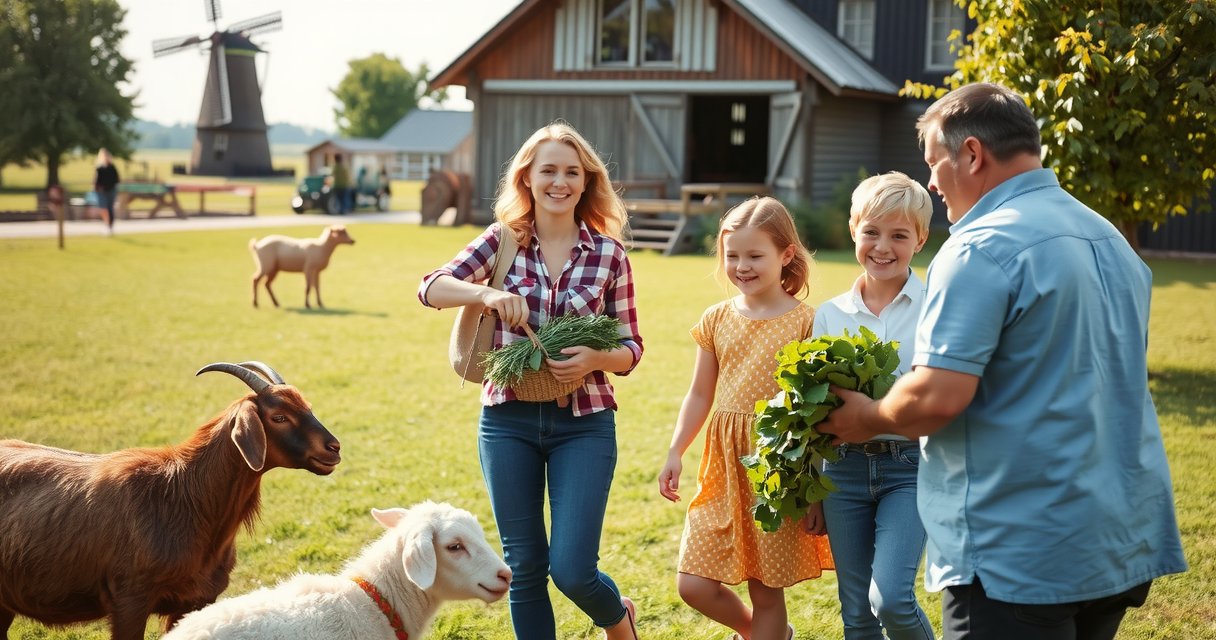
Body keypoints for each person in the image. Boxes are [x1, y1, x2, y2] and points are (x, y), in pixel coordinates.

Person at [818, 82, 1188, 640]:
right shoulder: (1109, 238)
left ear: (971, 154)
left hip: (1019, 549)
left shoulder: (979, 246)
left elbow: (937, 396)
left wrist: (865, 417)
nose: (931, 181)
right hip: (1118, 537)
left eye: (934, 163)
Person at [417, 122, 644, 640]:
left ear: (586, 182)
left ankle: (618, 618)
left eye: (572, 172)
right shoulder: (502, 242)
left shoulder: (610, 255)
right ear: (527, 178)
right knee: (523, 568)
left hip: (584, 424)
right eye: (548, 171)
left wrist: (595, 359)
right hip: (507, 422)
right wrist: (486, 294)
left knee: (573, 570)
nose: (559, 182)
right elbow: (430, 287)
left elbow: (631, 348)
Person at [657, 196, 833, 640]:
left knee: (765, 589)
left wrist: (814, 493)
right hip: (723, 467)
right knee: (693, 584)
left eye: (755, 256)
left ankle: (770, 632)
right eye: (732, 256)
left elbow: (817, 415)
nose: (741, 266)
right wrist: (676, 450)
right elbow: (700, 394)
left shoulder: (808, 323)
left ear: (786, 254)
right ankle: (769, 634)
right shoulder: (716, 318)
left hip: (778, 470)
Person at [812, 172, 935, 640]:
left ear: (920, 240)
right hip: (842, 472)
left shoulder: (935, 307)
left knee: (892, 600)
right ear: (853, 230)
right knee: (857, 613)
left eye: (899, 235)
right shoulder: (830, 315)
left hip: (911, 467)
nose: (883, 247)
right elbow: (816, 406)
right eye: (871, 232)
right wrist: (814, 486)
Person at [93, 148, 120, 235]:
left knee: (110, 208)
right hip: (101, 191)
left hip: (111, 190)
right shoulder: (99, 168)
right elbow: (96, 181)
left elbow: (117, 180)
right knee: (103, 208)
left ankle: (110, 226)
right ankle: (107, 224)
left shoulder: (112, 167)